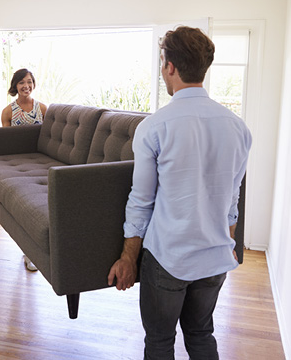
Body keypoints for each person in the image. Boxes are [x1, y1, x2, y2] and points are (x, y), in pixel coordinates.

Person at [107, 26, 252, 359]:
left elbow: (141, 201)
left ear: (169, 65)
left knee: (159, 341)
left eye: (162, 63)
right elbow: (232, 201)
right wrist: (227, 241)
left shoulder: (155, 127)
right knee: (201, 335)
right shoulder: (238, 127)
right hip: (216, 257)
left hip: (169, 259)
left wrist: (128, 257)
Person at [0, 68, 48, 271]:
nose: (26, 86)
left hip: (39, 161)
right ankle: (28, 251)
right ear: (15, 86)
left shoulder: (43, 109)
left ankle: (34, 253)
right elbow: (7, 142)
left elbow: (48, 139)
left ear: (33, 84)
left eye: (29, 82)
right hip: (18, 162)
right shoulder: (8, 112)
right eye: (21, 82)